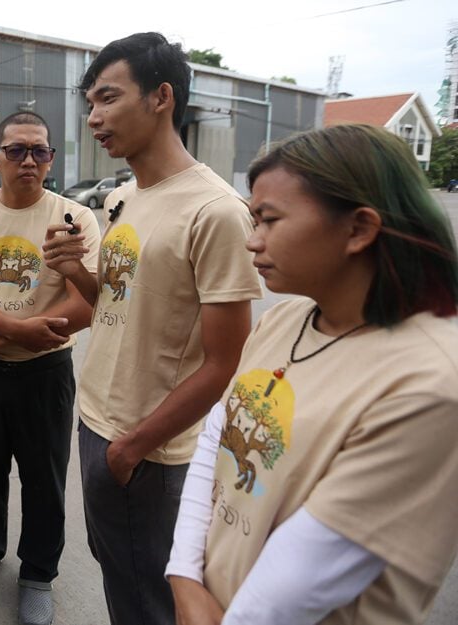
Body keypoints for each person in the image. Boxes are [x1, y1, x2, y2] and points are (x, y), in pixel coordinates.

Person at [166, 123, 458, 624]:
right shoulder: (285, 320)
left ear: (359, 229)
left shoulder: (431, 383)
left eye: (269, 220)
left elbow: (296, 584)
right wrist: (183, 573)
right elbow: (218, 437)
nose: (252, 242)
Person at [41, 33, 262, 624]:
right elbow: (116, 304)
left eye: (108, 99)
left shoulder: (215, 212)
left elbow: (226, 364)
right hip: (97, 421)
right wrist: (75, 272)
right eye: (90, 103)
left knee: (150, 600)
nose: (94, 118)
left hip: (148, 448)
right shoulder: (125, 198)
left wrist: (132, 447)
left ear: (162, 97)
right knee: (120, 572)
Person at [0, 111, 100, 625]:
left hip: (45, 373)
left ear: (51, 159)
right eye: (16, 150)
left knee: (44, 477)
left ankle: (38, 573)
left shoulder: (75, 219)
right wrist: (13, 331)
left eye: (40, 150)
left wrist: (11, 331)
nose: (28, 160)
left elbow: (87, 303)